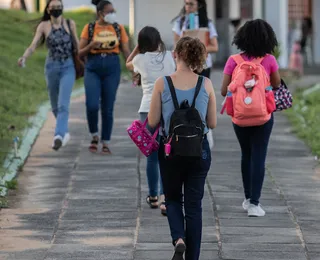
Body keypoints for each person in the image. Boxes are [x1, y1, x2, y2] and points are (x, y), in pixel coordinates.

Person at [148, 36, 217, 260]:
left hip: (170, 151)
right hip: (199, 150)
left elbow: (152, 121)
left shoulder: (162, 83)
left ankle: (178, 238)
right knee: (194, 206)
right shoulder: (206, 84)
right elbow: (212, 123)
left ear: (175, 54)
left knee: (173, 198)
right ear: (198, 57)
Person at [221, 19, 281, 217]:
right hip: (263, 117)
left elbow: (223, 91)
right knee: (259, 156)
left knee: (246, 155)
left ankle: (247, 199)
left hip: (239, 116)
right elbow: (277, 85)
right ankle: (255, 203)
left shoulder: (233, 61)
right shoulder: (270, 61)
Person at [126, 26, 176, 215]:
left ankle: (153, 196)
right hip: (168, 109)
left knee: (152, 156)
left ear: (141, 43)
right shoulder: (171, 56)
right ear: (158, 40)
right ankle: (165, 196)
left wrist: (138, 48)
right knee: (167, 155)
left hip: (147, 110)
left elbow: (128, 63)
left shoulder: (139, 59)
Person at [18, 0, 78, 151]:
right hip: (51, 67)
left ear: (62, 8)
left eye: (59, 7)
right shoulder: (44, 26)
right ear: (48, 9)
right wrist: (24, 57)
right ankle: (64, 131)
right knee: (54, 105)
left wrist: (86, 57)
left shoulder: (70, 24)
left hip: (68, 66)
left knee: (63, 104)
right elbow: (33, 45)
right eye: (53, 7)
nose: (57, 10)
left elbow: (77, 44)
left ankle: (58, 135)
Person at [79, 0, 130, 155]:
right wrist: (91, 46)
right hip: (93, 67)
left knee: (108, 108)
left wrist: (134, 69)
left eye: (113, 11)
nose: (112, 14)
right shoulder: (89, 28)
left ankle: (105, 141)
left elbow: (126, 51)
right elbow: (80, 53)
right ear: (100, 13)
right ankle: (94, 134)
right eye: (109, 11)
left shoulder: (118, 28)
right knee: (92, 104)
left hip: (112, 67)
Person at [172, 0, 219, 79]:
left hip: (202, 66)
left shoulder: (206, 23)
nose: (188, 6)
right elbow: (176, 45)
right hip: (185, 65)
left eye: (191, 4)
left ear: (199, 5)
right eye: (186, 4)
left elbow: (215, 47)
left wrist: (197, 49)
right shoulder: (180, 22)